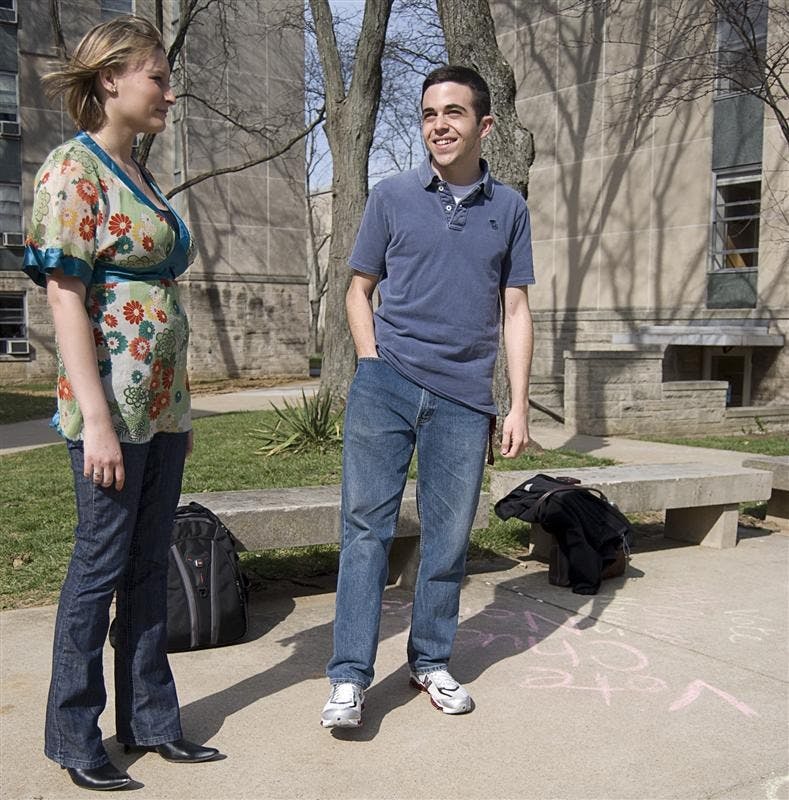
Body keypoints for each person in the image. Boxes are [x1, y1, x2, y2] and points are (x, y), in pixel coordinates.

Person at [23, 16, 221, 791]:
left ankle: (152, 720)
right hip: (109, 410)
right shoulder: (73, 170)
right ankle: (74, 737)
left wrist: (180, 410)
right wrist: (98, 421)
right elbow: (64, 299)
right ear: (110, 79)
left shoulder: (138, 174)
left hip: (161, 408)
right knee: (99, 565)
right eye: (157, 78)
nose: (169, 93)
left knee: (146, 565)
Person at [321, 65, 535, 728]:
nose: (438, 126)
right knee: (365, 530)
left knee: (447, 539)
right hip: (385, 384)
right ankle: (349, 677)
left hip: (464, 400)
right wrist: (369, 361)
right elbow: (358, 289)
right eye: (428, 114)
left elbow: (516, 308)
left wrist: (518, 403)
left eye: (453, 113)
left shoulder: (509, 209)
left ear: (484, 125)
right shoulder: (390, 197)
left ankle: (430, 662)